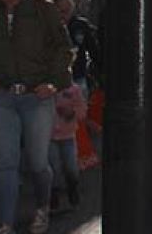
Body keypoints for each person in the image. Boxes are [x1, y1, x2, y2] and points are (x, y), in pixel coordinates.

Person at [0, 0, 72, 234]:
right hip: (1, 96)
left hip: (36, 96)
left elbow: (63, 49)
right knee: (6, 162)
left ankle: (42, 207)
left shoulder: (42, 10)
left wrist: (53, 83)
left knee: (37, 161)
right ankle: (6, 223)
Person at [49, 81, 86, 212]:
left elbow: (82, 111)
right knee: (53, 168)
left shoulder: (74, 89)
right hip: (49, 136)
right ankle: (53, 198)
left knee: (71, 167)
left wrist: (72, 113)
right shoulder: (46, 88)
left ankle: (73, 190)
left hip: (68, 136)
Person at [52, 0, 99, 97]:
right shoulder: (48, 27)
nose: (62, 15)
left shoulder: (80, 26)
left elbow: (94, 51)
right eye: (59, 11)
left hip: (78, 76)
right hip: (54, 79)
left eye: (66, 11)